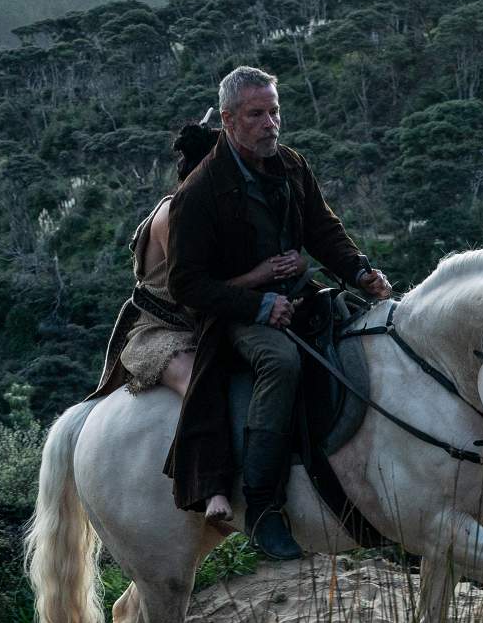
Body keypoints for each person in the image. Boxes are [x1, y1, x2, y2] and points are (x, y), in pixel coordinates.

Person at [165, 67, 393, 559]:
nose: (271, 124)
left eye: (275, 112)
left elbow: (322, 229)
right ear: (228, 120)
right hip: (235, 315)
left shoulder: (290, 164)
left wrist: (359, 271)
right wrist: (258, 303)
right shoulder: (200, 193)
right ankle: (265, 506)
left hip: (297, 294)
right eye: (256, 115)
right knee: (281, 362)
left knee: (365, 333)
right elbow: (186, 284)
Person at [88, 118, 301, 527]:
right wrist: (261, 275)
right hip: (161, 329)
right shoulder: (176, 213)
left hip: (204, 321)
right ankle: (212, 486)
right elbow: (198, 287)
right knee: (201, 386)